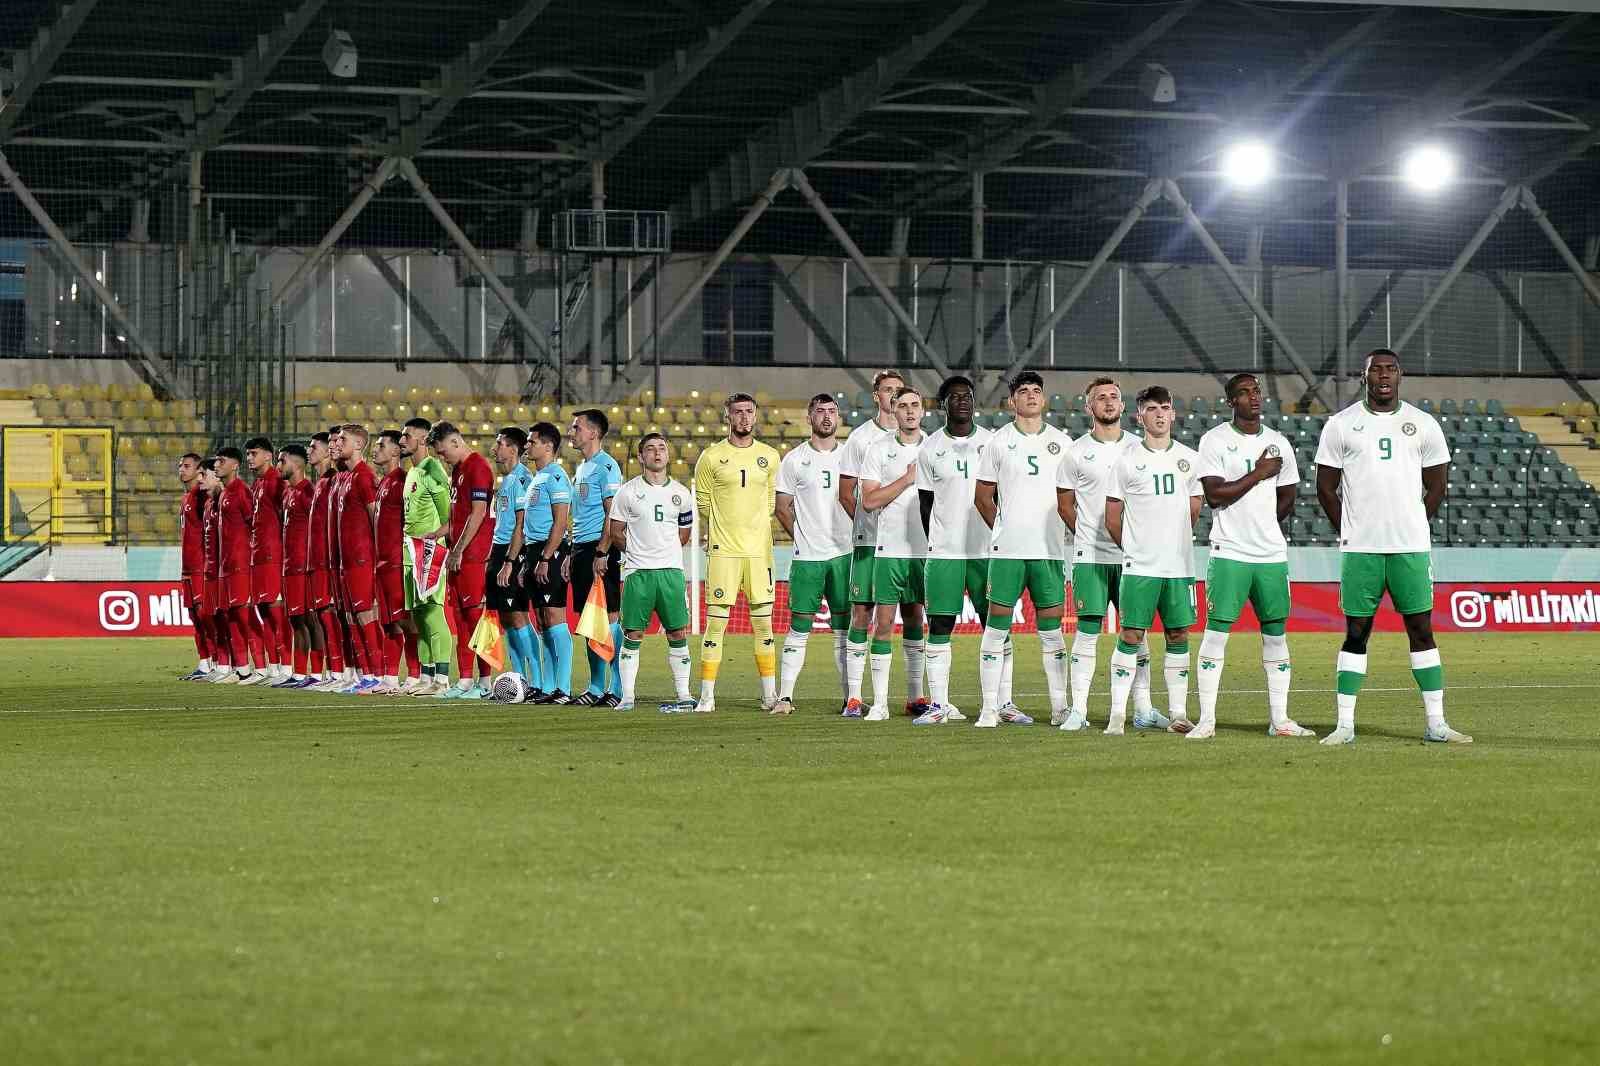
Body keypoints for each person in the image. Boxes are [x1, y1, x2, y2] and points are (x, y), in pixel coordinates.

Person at [1315, 349, 1469, 745]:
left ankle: (1436, 723)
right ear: (1363, 377)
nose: (1383, 375)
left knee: (1421, 630)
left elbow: (1437, 486)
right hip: (1361, 548)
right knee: (1356, 631)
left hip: (1410, 547)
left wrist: (1414, 523)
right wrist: (1349, 528)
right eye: (1375, 370)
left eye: (1390, 369)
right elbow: (1325, 488)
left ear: (1400, 375)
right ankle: (1344, 725)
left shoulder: (1423, 424)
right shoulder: (1341, 425)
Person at [1195, 373, 1314, 739]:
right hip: (1229, 551)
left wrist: (1262, 521)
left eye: (1257, 391)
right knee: (1216, 635)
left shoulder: (1278, 443)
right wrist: (1258, 473)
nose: (1254, 397)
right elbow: (1215, 496)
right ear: (1231, 401)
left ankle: (1280, 720)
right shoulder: (1214, 440)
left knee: (1276, 635)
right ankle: (1207, 720)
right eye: (1244, 393)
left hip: (1270, 554)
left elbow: (1288, 497)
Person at [1055, 378, 1159, 731]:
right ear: (1089, 407)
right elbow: (1065, 506)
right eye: (1101, 398)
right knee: (1087, 631)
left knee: (1137, 633)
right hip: (1091, 557)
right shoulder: (1075, 452)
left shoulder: (1140, 448)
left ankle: (1144, 710)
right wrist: (1088, 533)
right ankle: (1079, 711)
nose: (1109, 401)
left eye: (1114, 396)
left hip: (1134, 558)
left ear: (1123, 405)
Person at [1102, 386, 1202, 736]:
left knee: (1177, 633)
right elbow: (1111, 516)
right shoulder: (1127, 460)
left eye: (1165, 408)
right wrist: (1134, 548)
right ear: (1139, 415)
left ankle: (1177, 712)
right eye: (1152, 409)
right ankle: (1117, 715)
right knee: (1131, 634)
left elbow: (1194, 509)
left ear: (1173, 414)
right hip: (1140, 567)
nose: (1160, 414)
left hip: (1178, 566)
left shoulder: (1190, 459)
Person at [973, 371, 1071, 727]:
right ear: (1012, 401)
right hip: (1008, 552)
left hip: (1048, 551)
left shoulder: (1063, 443)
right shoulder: (998, 442)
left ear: (1043, 399)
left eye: (1036, 391)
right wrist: (1001, 528)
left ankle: (1061, 708)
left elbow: (1071, 497)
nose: (1030, 396)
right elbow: (983, 496)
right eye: (1023, 392)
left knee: (1051, 631)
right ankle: (988, 709)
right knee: (996, 630)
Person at [692, 393, 781, 714]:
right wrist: (720, 530)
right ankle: (707, 696)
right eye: (738, 412)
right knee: (715, 625)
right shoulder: (712, 457)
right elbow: (703, 501)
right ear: (727, 416)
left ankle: (769, 696)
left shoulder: (769, 457)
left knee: (764, 625)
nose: (744, 417)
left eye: (749, 412)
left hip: (759, 552)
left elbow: (770, 501)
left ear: (755, 416)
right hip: (724, 551)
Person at [594, 433, 695, 712]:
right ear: (641, 457)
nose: (657, 453)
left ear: (668, 455)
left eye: (661, 448)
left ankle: (684, 694)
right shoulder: (627, 492)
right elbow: (615, 532)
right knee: (633, 634)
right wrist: (638, 551)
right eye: (650, 449)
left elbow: (684, 534)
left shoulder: (682, 494)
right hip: (638, 573)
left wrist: (663, 551)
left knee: (677, 632)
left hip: (671, 573)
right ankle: (627, 698)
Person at [914, 375, 993, 725]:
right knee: (941, 623)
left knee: (995, 625)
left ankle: (1000, 703)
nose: (962, 401)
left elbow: (1000, 497)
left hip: (985, 551)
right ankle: (940, 705)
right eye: (955, 397)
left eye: (968, 396)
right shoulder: (930, 448)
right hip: (945, 552)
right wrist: (939, 539)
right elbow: (925, 504)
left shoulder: (992, 444)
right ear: (943, 404)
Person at [773, 394, 853, 716]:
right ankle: (785, 697)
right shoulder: (794, 459)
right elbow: (782, 508)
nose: (826, 416)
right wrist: (805, 537)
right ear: (809, 417)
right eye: (820, 411)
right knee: (800, 624)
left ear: (838, 418)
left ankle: (851, 698)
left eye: (832, 411)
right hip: (807, 557)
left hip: (844, 554)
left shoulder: (851, 457)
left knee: (845, 630)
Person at [855, 386, 929, 721]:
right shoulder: (878, 449)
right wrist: (907, 479)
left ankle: (917, 697)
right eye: (903, 406)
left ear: (924, 410)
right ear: (893, 410)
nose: (910, 411)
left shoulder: (935, 447)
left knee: (917, 620)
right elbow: (869, 501)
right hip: (889, 550)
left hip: (927, 550)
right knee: (883, 624)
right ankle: (880, 703)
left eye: (915, 405)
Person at [836, 370, 907, 715]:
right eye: (887, 390)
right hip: (869, 543)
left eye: (899, 391)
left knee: (910, 614)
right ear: (876, 396)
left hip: (908, 544)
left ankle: (914, 695)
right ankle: (853, 696)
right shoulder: (860, 439)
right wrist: (867, 525)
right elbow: (846, 493)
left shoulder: (918, 439)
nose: (893, 396)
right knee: (862, 615)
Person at [507, 421, 574, 703]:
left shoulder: (557, 476)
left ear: (548, 446)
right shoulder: (538, 477)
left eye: (532, 442)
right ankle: (547, 686)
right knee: (543, 619)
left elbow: (560, 522)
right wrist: (526, 561)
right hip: (535, 552)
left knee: (555, 617)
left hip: (551, 552)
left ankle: (564, 687)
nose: (527, 446)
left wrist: (547, 556)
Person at [431, 421, 496, 698]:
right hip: (458, 556)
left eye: (443, 452)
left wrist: (457, 550)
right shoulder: (457, 470)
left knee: (476, 618)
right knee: (459, 619)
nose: (442, 459)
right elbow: (458, 517)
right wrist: (436, 534)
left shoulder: (478, 467)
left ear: (456, 442)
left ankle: (485, 682)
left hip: (473, 556)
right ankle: (465, 681)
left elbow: (478, 513)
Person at [566, 409, 625, 706]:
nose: (570, 432)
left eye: (576, 427)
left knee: (609, 616)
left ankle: (617, 688)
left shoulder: (607, 467)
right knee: (591, 620)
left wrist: (602, 551)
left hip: (600, 550)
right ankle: (596, 687)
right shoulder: (584, 468)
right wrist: (571, 551)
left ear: (593, 433)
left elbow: (612, 514)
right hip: (582, 548)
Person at [400, 418, 454, 696]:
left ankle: (442, 680)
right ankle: (426, 675)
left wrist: (434, 539)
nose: (401, 441)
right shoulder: (413, 472)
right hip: (410, 551)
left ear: (422, 439)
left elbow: (450, 518)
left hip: (429, 553)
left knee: (433, 613)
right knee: (419, 616)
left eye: (406, 436)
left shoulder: (434, 470)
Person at [332, 424, 383, 694]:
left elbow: (377, 518)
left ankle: (377, 674)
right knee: (352, 618)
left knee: (365, 616)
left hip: (363, 560)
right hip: (346, 561)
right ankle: (365, 675)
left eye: (343, 440)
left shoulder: (364, 476)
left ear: (359, 445)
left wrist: (377, 557)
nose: (337, 444)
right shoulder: (348, 477)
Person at [489, 427, 539, 693]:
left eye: (499, 444)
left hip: (513, 552)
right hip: (500, 550)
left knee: (518, 617)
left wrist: (510, 560)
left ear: (513, 449)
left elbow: (521, 524)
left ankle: (536, 678)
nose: (494, 449)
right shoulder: (507, 480)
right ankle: (519, 677)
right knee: (507, 619)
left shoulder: (522, 479)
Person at [213, 446, 268, 685]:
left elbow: (253, 525)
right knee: (232, 617)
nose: (216, 465)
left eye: (221, 461)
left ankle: (262, 668)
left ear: (234, 465)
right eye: (216, 461)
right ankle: (243, 669)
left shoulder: (242, 492)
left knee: (247, 617)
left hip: (242, 565)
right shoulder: (224, 493)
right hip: (227, 566)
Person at [370, 429, 415, 694]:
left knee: (405, 620)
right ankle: (389, 677)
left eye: (381, 446)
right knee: (387, 622)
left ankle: (415, 674)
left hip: (398, 562)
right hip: (382, 562)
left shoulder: (403, 481)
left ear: (397, 451)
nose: (376, 450)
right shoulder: (384, 482)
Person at [275, 443, 320, 688]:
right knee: (295, 620)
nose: (278, 466)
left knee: (310, 620)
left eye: (282, 461)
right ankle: (300, 673)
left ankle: (319, 673)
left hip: (304, 566)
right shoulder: (288, 493)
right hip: (289, 566)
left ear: (297, 464)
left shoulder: (308, 492)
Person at [244, 437, 289, 682]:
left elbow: (286, 518)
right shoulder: (258, 484)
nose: (250, 458)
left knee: (276, 614)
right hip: (258, 557)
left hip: (273, 557)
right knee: (263, 611)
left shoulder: (276, 482)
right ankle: (273, 668)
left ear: (268, 456)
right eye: (248, 454)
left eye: (254, 453)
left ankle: (287, 667)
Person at [305, 432, 347, 691]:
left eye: (315, 446)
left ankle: (341, 672)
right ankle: (333, 673)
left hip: (331, 560)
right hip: (319, 559)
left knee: (334, 617)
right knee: (324, 617)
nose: (312, 451)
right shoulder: (321, 482)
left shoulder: (334, 480)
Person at [175, 452, 216, 680]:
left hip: (201, 565)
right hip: (187, 567)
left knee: (205, 615)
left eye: (187, 466)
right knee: (194, 617)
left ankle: (219, 663)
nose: (182, 470)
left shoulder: (201, 497)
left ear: (199, 470)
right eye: (180, 466)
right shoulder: (185, 499)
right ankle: (204, 663)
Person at [198, 458, 234, 681]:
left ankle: (245, 667)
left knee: (230, 619)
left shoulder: (225, 500)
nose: (200, 479)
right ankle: (223, 666)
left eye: (205, 474)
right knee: (213, 618)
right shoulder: (210, 504)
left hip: (227, 570)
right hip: (212, 570)